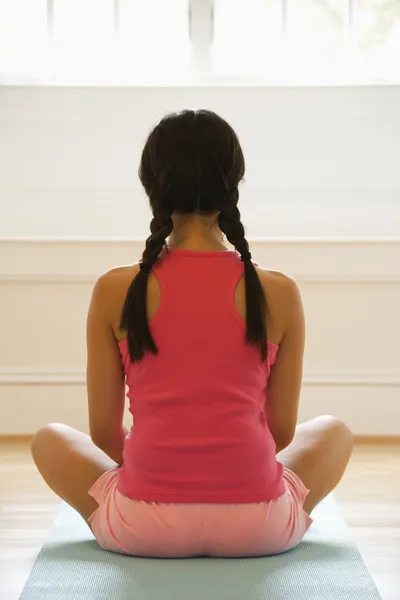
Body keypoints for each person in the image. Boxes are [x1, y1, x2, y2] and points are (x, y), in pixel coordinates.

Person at [31, 109, 353, 558]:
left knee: (49, 438)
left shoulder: (114, 289)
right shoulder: (279, 291)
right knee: (333, 432)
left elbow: (104, 433)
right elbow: (279, 434)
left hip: (142, 526)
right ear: (233, 183)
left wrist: (166, 472)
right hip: (258, 528)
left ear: (151, 186)